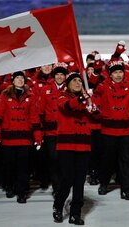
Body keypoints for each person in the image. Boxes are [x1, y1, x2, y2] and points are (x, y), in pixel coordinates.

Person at [95, 61, 129, 200]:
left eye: (120, 72)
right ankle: (104, 184)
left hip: (126, 131)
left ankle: (126, 189)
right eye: (115, 72)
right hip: (108, 131)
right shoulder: (104, 86)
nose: (118, 75)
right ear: (110, 74)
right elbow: (94, 86)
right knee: (107, 160)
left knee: (126, 161)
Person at [52, 72, 97, 225]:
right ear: (68, 84)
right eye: (74, 81)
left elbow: (97, 118)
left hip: (83, 144)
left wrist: (94, 109)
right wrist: (83, 98)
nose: (78, 83)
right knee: (68, 178)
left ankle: (75, 213)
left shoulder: (86, 100)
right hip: (67, 144)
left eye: (80, 80)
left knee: (79, 181)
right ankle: (58, 206)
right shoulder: (62, 96)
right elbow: (67, 107)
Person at [0, 71, 42, 204]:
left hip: (25, 137)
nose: (20, 80)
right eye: (17, 78)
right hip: (9, 137)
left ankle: (22, 192)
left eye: (22, 78)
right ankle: (9, 186)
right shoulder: (5, 95)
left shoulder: (30, 96)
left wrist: (38, 137)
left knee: (23, 166)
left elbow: (34, 117)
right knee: (9, 164)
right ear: (12, 80)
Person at [37, 62, 68, 196]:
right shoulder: (45, 89)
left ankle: (64, 184)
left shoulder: (70, 88)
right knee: (53, 158)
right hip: (51, 131)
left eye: (62, 74)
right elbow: (40, 110)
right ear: (54, 76)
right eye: (58, 74)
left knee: (64, 159)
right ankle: (56, 185)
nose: (60, 77)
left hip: (66, 131)